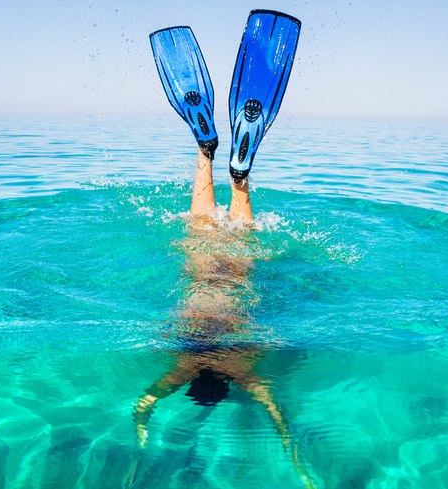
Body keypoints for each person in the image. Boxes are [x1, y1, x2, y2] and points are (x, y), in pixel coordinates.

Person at [131, 147, 315, 488]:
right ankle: (205, 153)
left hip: (235, 288)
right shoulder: (184, 366)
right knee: (201, 228)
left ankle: (239, 177)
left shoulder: (240, 370)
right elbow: (146, 400)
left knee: (241, 238)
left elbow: (273, 408)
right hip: (200, 283)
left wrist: (292, 451)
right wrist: (140, 428)